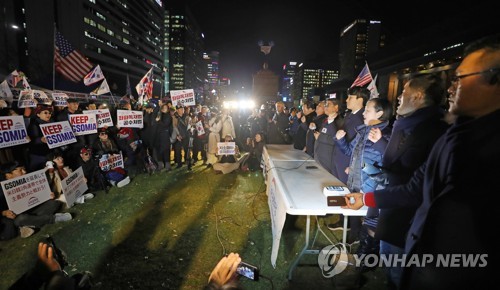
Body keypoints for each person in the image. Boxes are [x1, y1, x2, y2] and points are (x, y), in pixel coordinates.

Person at [343, 34, 500, 290]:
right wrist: (366, 199)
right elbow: (416, 188)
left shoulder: (464, 139)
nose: (451, 88)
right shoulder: (453, 136)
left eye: (460, 78)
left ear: (494, 79)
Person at [374, 74, 449, 288]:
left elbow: (420, 184)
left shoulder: (436, 130)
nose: (398, 97)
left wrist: (369, 198)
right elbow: (394, 162)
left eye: (404, 92)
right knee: (389, 266)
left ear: (417, 96)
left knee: (400, 275)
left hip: (410, 220)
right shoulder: (404, 124)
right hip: (392, 209)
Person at [0, 162, 72, 240]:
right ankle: (53, 218)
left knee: (54, 204)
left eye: (24, 169)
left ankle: (30, 224)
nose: (24, 172)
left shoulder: (30, 180)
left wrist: (48, 195)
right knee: (21, 219)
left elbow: (39, 196)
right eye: (20, 170)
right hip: (18, 218)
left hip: (34, 211)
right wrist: (4, 213)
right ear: (8, 175)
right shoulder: (1, 190)